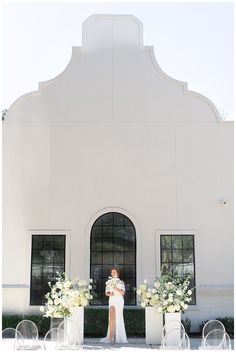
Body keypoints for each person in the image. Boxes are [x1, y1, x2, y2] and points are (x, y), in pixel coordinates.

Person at [100, 267, 128, 344]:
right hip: (112, 300)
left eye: (114, 272)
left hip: (119, 300)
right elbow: (106, 293)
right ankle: (110, 337)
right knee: (111, 316)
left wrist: (116, 288)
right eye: (112, 272)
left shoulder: (121, 282)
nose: (113, 273)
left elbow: (122, 293)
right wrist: (110, 294)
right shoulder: (109, 282)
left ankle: (118, 337)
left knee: (118, 317)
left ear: (117, 273)